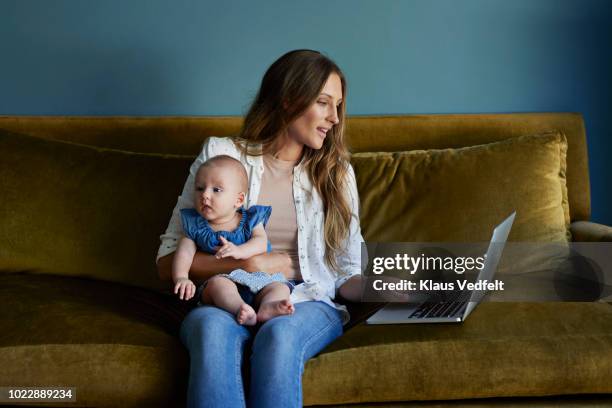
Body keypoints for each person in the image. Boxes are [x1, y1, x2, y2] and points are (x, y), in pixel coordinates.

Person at [157, 49, 364, 408]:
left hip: (306, 298)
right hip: (224, 296)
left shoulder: (337, 173)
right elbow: (166, 262)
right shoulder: (221, 155)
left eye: (338, 106)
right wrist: (251, 265)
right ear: (288, 101)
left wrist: (390, 288)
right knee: (210, 330)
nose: (334, 117)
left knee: (281, 335)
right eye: (323, 102)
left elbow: (347, 270)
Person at [172, 155, 295, 326]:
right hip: (223, 280)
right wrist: (181, 277)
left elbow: (260, 242)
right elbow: (184, 252)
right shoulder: (196, 226)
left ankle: (268, 306)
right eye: (200, 188)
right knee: (218, 285)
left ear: (238, 200)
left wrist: (240, 251)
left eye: (217, 190)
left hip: (258, 279)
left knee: (279, 286)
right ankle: (240, 309)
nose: (205, 195)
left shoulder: (250, 219)